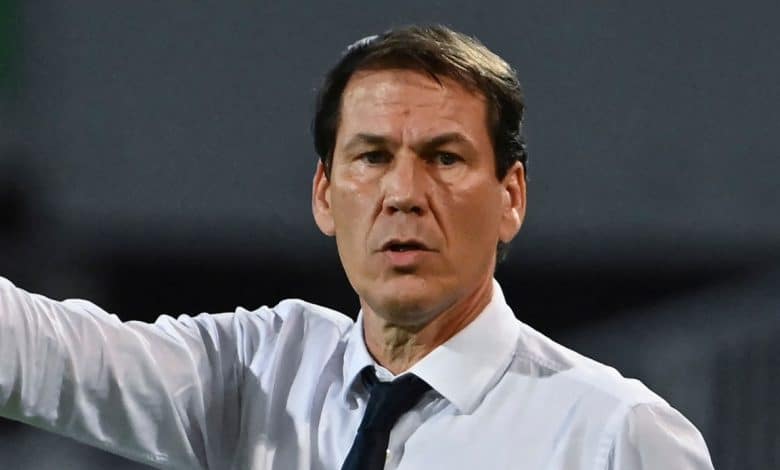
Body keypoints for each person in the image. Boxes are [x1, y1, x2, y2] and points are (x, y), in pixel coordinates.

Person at [0, 25, 713, 469]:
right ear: (324, 195)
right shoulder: (256, 373)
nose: (403, 193)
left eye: (444, 158)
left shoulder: (614, 435)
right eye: (371, 157)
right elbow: (40, 353)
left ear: (511, 197)